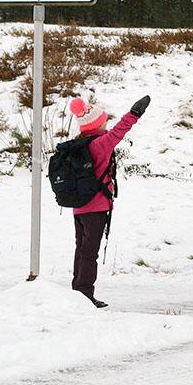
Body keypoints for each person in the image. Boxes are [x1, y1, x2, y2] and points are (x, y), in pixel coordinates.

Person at [68, 94, 151, 308]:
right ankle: (85, 294)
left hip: (79, 207)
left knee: (81, 249)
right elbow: (119, 130)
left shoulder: (79, 144)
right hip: (95, 207)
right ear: (97, 123)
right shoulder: (100, 144)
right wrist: (135, 113)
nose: (106, 123)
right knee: (89, 253)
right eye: (103, 120)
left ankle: (77, 293)